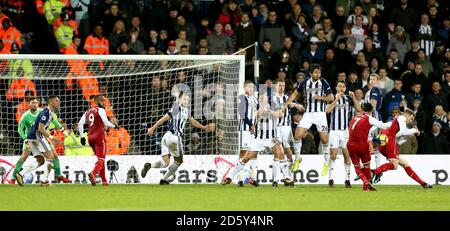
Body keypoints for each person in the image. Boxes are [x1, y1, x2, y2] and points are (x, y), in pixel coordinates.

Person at [141, 92, 214, 185]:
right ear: (179, 100)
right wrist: (152, 128)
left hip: (166, 137)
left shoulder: (186, 111)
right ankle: (164, 179)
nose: (186, 101)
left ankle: (150, 166)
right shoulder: (176, 108)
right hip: (174, 137)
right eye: (184, 99)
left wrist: (204, 127)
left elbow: (193, 122)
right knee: (179, 161)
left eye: (187, 99)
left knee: (165, 163)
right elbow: (164, 118)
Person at [222, 92, 289, 187]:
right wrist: (264, 107)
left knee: (281, 153)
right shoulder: (256, 109)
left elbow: (281, 114)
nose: (262, 99)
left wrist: (270, 111)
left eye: (264, 97)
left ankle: (286, 178)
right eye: (261, 98)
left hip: (272, 138)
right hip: (260, 139)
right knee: (245, 158)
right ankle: (229, 177)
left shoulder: (274, 106)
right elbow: (258, 114)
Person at [282, 64, 333, 175]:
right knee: (297, 135)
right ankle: (298, 158)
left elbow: (331, 98)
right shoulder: (304, 82)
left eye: (319, 72)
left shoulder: (323, 82)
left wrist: (320, 98)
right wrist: (287, 104)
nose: (318, 74)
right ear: (310, 73)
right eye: (315, 72)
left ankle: (326, 162)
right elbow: (295, 93)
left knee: (325, 140)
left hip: (320, 114)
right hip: (308, 114)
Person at [11, 96, 71, 185]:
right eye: (56, 101)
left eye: (58, 100)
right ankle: (44, 181)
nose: (58, 102)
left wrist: (63, 130)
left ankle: (20, 174)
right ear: (50, 102)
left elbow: (53, 121)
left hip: (33, 137)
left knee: (41, 160)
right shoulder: (44, 113)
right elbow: (40, 129)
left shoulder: (48, 112)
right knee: (50, 157)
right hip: (37, 136)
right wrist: (51, 137)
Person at [372, 109, 432, 189]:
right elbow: (403, 132)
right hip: (389, 141)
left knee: (405, 163)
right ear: (406, 114)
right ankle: (373, 172)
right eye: (411, 118)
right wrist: (414, 130)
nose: (411, 121)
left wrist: (409, 135)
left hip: (386, 142)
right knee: (394, 165)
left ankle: (423, 184)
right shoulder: (401, 118)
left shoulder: (398, 122)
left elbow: (399, 139)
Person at [347, 102, 391, 191]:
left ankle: (365, 183)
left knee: (357, 166)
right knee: (367, 165)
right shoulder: (369, 118)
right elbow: (384, 126)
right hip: (362, 145)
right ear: (371, 111)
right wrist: (393, 122)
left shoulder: (354, 118)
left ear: (362, 109)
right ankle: (367, 183)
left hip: (350, 144)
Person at [325, 81, 361, 188]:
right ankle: (331, 179)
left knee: (347, 155)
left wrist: (354, 97)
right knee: (333, 155)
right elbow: (327, 110)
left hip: (345, 131)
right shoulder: (331, 98)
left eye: (343, 86)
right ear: (336, 87)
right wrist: (336, 99)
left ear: (345, 88)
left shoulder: (348, 99)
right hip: (334, 131)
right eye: (339, 86)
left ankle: (347, 179)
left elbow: (359, 109)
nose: (341, 88)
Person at [78, 95, 118, 186]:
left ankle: (104, 181)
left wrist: (82, 137)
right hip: (99, 137)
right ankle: (93, 173)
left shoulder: (87, 111)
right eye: (103, 101)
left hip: (90, 137)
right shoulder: (101, 110)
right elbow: (106, 122)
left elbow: (80, 123)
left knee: (100, 159)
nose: (105, 103)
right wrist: (114, 126)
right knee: (101, 159)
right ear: (97, 101)